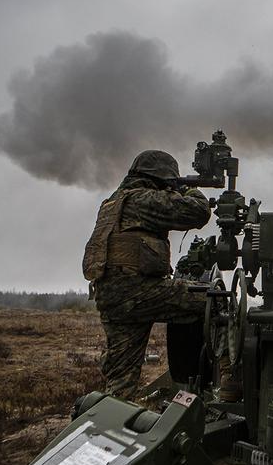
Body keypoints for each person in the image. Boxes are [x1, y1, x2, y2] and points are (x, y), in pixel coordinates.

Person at [82, 150, 214, 400]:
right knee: (214, 301)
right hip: (138, 291)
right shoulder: (142, 199)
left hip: (111, 297)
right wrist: (186, 189)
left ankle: (115, 417)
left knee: (121, 378)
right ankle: (227, 379)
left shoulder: (112, 203)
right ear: (159, 179)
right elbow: (197, 212)